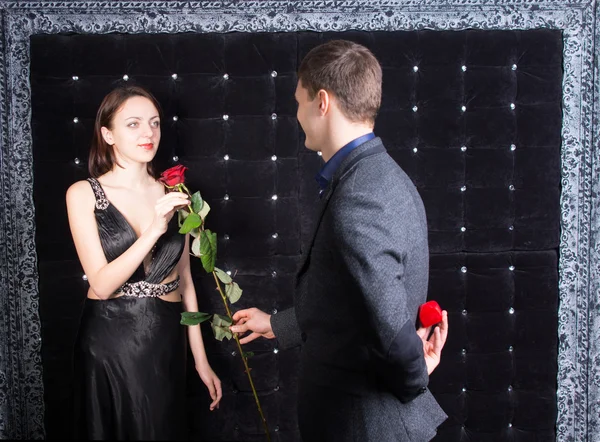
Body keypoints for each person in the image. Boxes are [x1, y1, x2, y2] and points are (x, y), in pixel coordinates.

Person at [231, 40, 449, 441]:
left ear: (323, 102)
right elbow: (350, 305)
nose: (296, 115)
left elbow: (388, 324)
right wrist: (277, 325)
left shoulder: (360, 196)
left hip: (362, 425)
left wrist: (417, 372)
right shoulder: (380, 175)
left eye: (299, 102)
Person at [66, 85, 222, 440]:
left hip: (165, 340)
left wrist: (200, 360)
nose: (148, 133)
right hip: (110, 340)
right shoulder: (83, 194)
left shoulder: (174, 193)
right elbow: (102, 285)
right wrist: (153, 230)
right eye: (133, 124)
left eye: (154, 123)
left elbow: (184, 281)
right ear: (108, 134)